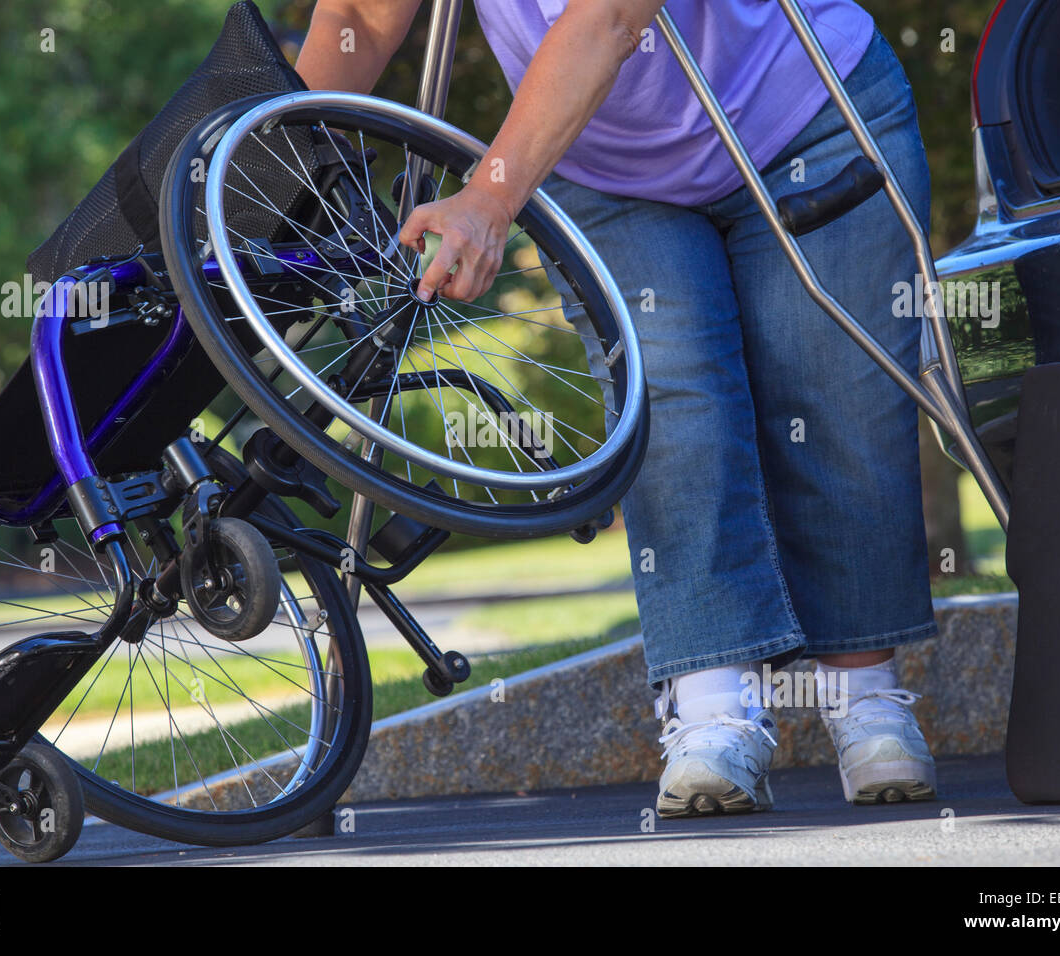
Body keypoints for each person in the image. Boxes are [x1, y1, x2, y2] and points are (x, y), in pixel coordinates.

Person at [296, 0, 937, 815]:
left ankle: (866, 704)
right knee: (672, 403)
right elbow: (360, 13)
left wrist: (488, 198)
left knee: (833, 401)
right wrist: (272, 175)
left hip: (805, 110)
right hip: (606, 161)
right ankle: (713, 714)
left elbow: (610, 17)